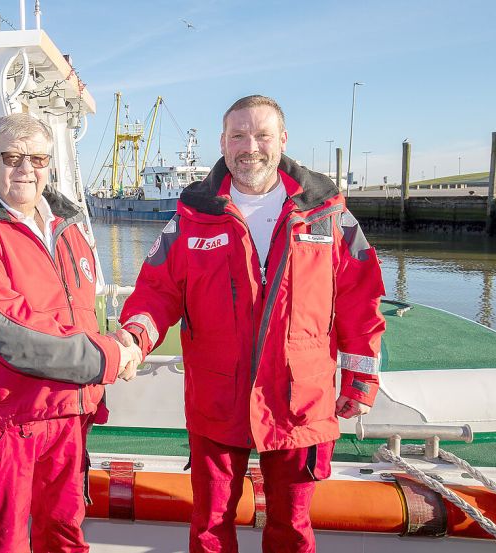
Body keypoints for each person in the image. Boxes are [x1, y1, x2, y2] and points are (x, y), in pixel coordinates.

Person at [116, 95, 386, 553]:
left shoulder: (327, 214)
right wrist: (135, 336)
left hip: (300, 399)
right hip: (218, 399)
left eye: (261, 134)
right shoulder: (192, 216)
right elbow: (156, 291)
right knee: (210, 528)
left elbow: (361, 298)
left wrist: (360, 380)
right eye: (238, 135)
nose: (250, 147)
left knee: (293, 529)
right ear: (222, 143)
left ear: (282, 139)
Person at [0, 113, 141, 553]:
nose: (26, 168)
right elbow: (6, 329)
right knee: (4, 543)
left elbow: (82, 314)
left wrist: (117, 341)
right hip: (5, 420)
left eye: (38, 158)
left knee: (65, 536)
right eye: (12, 156)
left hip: (69, 415)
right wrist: (107, 358)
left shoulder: (68, 227)